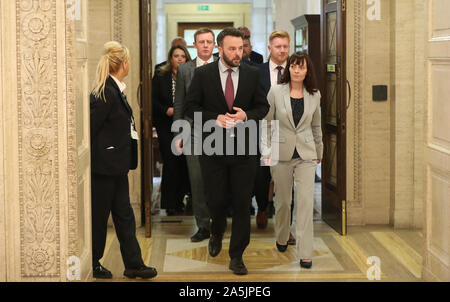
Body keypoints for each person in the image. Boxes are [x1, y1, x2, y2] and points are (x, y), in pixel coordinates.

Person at [184, 28, 269, 275]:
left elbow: (263, 107)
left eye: (240, 48)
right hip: (212, 150)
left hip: (244, 151)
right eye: (231, 48)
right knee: (216, 201)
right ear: (219, 49)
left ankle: (237, 255)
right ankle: (216, 231)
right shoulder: (202, 74)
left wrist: (246, 115)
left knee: (242, 204)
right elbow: (190, 108)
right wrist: (215, 118)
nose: (237, 53)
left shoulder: (252, 75)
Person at [90, 41, 157, 279]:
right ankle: (93, 262)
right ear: (124, 64)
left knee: (125, 216)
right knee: (99, 217)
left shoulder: (114, 88)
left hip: (116, 167)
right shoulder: (105, 91)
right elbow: (91, 128)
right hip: (104, 168)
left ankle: (134, 264)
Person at [261, 52, 323, 269]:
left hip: (306, 154)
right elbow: (267, 123)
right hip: (280, 153)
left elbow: (316, 125)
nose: (297, 70)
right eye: (294, 67)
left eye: (302, 67)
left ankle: (305, 253)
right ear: (289, 69)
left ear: (307, 71)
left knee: (305, 203)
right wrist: (266, 152)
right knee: (283, 202)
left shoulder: (314, 95)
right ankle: (281, 235)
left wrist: (319, 150)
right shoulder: (276, 91)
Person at [173, 28, 218, 242]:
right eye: (202, 42)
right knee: (197, 181)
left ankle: (218, 223)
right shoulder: (185, 70)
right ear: (195, 45)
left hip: (220, 132)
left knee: (218, 180)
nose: (206, 45)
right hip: (192, 131)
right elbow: (179, 102)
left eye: (209, 41)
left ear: (215, 44)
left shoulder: (223, 66)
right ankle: (203, 226)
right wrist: (178, 133)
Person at [255, 30, 290, 230]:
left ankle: (286, 226)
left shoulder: (295, 70)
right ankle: (262, 208)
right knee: (262, 176)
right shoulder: (256, 71)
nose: (282, 50)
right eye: (278, 46)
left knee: (286, 179)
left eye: (285, 46)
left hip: (287, 132)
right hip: (263, 130)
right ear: (270, 48)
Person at [152, 45, 192, 216]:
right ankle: (169, 203)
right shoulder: (161, 75)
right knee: (171, 161)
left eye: (183, 56)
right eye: (176, 56)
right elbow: (153, 100)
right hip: (166, 125)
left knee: (184, 162)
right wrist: (166, 110)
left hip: (186, 124)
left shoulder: (191, 74)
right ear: (170, 58)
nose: (180, 59)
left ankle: (181, 200)